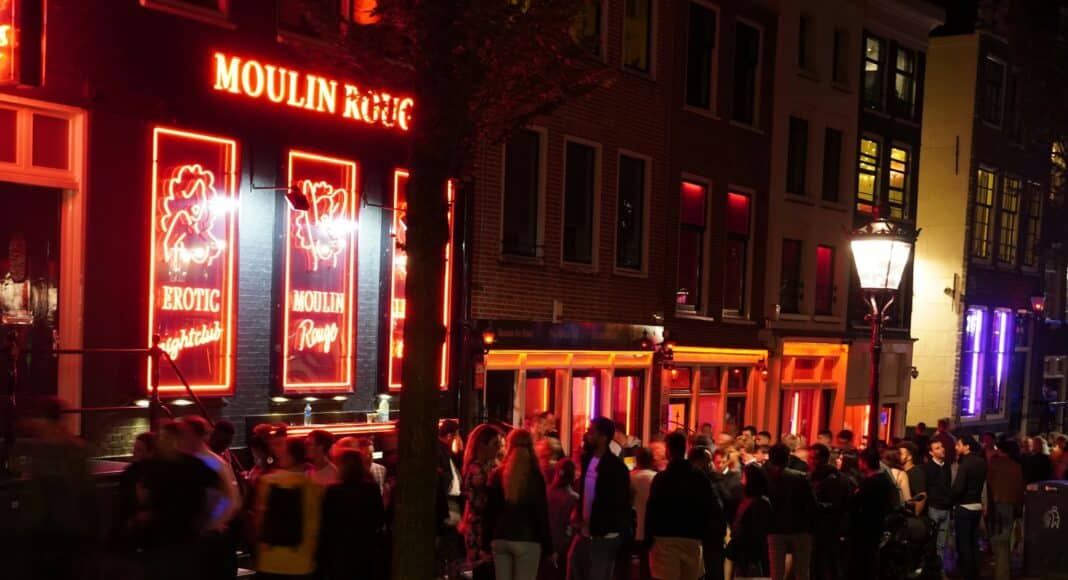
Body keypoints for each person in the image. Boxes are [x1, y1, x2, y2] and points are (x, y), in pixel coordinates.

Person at [137, 420, 220, 580]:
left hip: (168, 536)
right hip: (181, 535)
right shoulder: (194, 464)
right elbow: (216, 491)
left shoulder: (157, 464)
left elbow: (143, 493)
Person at [645, 432, 719, 580]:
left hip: (665, 539)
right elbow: (711, 507)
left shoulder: (661, 478)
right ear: (685, 448)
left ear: (668, 451)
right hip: (692, 538)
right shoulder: (699, 477)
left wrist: (649, 539)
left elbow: (652, 509)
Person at [483, 429, 554, 580]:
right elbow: (541, 514)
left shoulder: (497, 475)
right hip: (527, 540)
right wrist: (549, 548)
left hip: (500, 537)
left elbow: (489, 513)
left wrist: (484, 544)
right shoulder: (535, 477)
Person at [568, 417, 631, 580]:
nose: (587, 434)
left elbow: (617, 504)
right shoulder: (587, 460)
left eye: (591, 431)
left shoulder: (616, 468)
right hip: (583, 533)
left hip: (603, 536)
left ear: (603, 437)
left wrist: (595, 524)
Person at [181, 416, 242, 580]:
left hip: (209, 539)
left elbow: (232, 499)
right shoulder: (197, 460)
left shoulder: (211, 462)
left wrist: (212, 523)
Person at [254, 436, 322, 579]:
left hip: (270, 559)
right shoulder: (312, 486)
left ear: (288, 456)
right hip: (301, 561)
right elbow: (314, 525)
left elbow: (259, 521)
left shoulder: (267, 481)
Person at [318, 449, 385, 580]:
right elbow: (378, 518)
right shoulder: (371, 489)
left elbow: (326, 523)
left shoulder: (334, 491)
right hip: (365, 549)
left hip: (340, 551)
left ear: (342, 467)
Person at [765, 443, 816, 580]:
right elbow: (811, 503)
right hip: (800, 529)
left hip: (775, 529)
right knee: (802, 572)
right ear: (787, 458)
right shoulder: (800, 477)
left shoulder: (766, 478)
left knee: (776, 573)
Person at [847, 448, 899, 579]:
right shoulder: (885, 480)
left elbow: (855, 504)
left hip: (864, 529)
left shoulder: (869, 483)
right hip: (877, 526)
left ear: (864, 463)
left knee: (863, 563)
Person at [460, 423, 504, 577]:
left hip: (482, 529)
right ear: (482, 445)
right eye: (495, 444)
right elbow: (482, 505)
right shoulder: (477, 471)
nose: (498, 448)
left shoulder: (486, 468)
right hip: (479, 531)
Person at [807, 443, 852, 580]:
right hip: (831, 529)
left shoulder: (815, 479)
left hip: (823, 528)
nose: (810, 461)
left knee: (821, 565)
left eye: (813, 458)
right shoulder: (841, 478)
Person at [987, 438, 1024, 580]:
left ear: (1000, 450)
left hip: (995, 504)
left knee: (997, 539)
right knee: (1005, 538)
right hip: (1010, 505)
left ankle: (1000, 571)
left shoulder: (993, 464)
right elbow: (1020, 489)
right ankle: (1003, 571)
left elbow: (988, 484)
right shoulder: (1017, 466)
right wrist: (1019, 508)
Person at [726, 463, 772, 578]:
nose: (742, 479)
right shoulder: (750, 499)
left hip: (751, 555)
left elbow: (757, 532)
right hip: (744, 553)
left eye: (744, 476)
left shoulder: (760, 502)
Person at [688, 447, 728, 580]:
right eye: (708, 460)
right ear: (698, 462)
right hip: (704, 535)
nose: (711, 464)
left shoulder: (714, 479)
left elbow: (726, 501)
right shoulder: (699, 481)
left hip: (711, 535)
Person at [952, 434, 987, 580]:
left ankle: (966, 573)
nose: (956, 447)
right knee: (973, 542)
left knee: (963, 542)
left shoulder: (965, 464)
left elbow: (958, 488)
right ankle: (975, 572)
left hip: (964, 507)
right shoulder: (982, 462)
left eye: (958, 444)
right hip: (977, 506)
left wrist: (951, 497)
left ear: (967, 446)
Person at [117, 431, 158, 546]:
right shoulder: (130, 472)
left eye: (139, 449)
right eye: (135, 448)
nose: (134, 452)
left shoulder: (156, 473)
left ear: (151, 452)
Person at [547, 458, 580, 580]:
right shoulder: (574, 498)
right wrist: (558, 550)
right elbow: (569, 528)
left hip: (544, 547)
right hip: (563, 550)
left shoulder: (546, 492)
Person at [922, 439, 953, 569]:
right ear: (931, 452)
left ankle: (939, 570)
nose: (942, 449)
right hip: (934, 507)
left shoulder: (946, 465)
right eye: (937, 448)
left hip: (945, 507)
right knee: (931, 541)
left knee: (941, 543)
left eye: (941, 446)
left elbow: (947, 485)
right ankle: (929, 569)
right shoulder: (928, 467)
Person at [630, 448, 657, 580]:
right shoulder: (656, 478)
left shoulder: (630, 477)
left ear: (637, 460)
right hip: (651, 529)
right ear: (652, 461)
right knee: (648, 567)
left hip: (632, 528)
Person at [898, 441, 926, 515]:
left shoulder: (916, 473)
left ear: (910, 457)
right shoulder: (902, 471)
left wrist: (915, 517)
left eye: (901, 453)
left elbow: (922, 496)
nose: (898, 456)